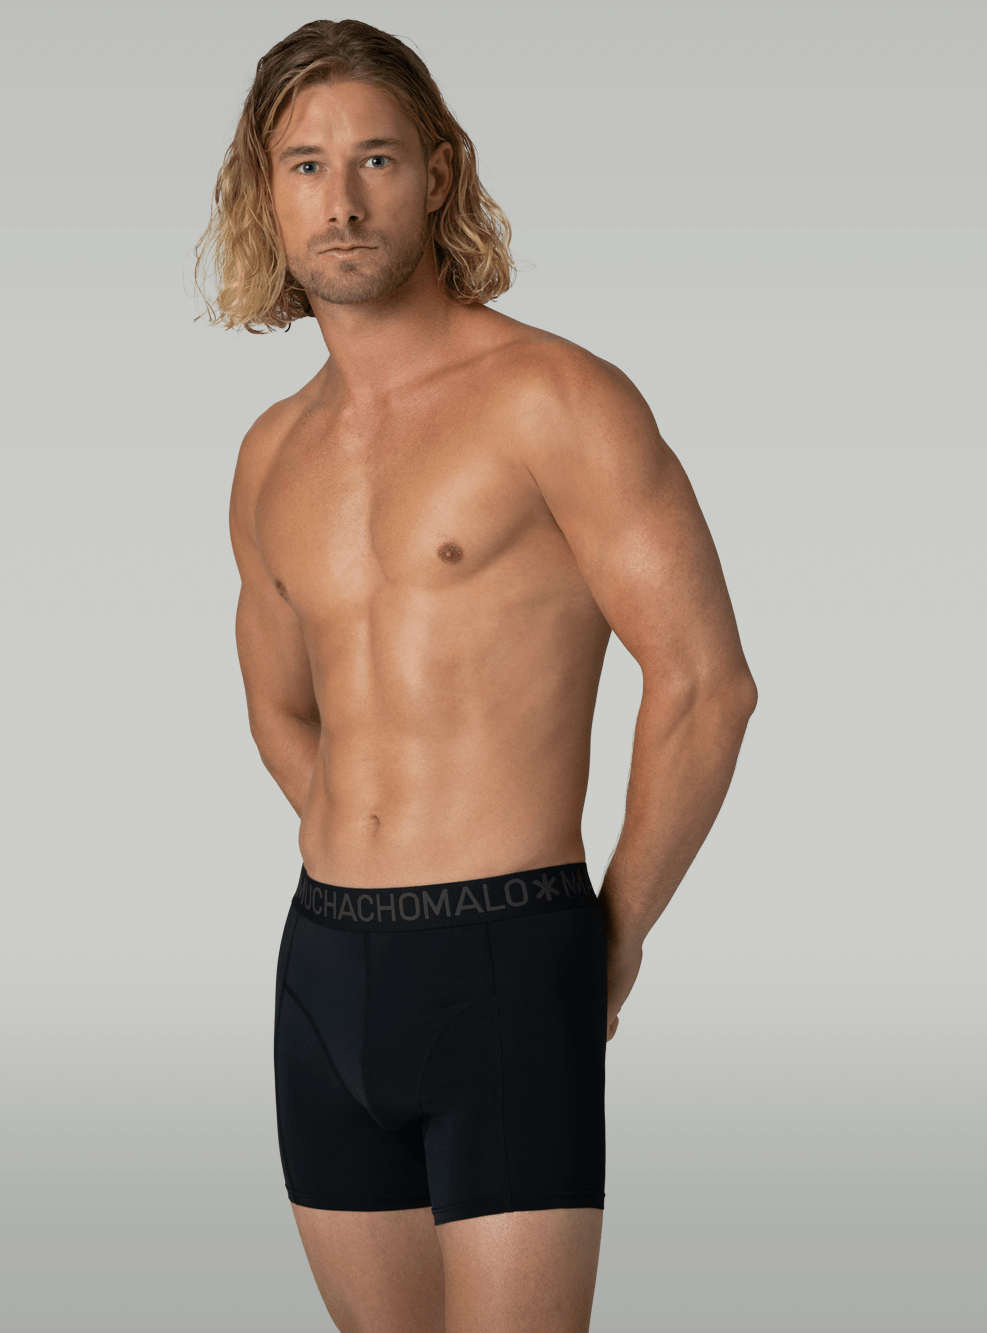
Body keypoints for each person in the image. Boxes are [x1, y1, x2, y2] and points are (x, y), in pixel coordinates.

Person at [196, 18, 757, 1333]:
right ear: (265, 193)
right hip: (323, 967)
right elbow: (280, 703)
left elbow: (704, 683)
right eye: (305, 165)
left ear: (438, 171)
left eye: (378, 158)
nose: (342, 200)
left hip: (508, 951)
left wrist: (611, 936)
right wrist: (362, 829)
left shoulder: (554, 398)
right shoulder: (272, 452)